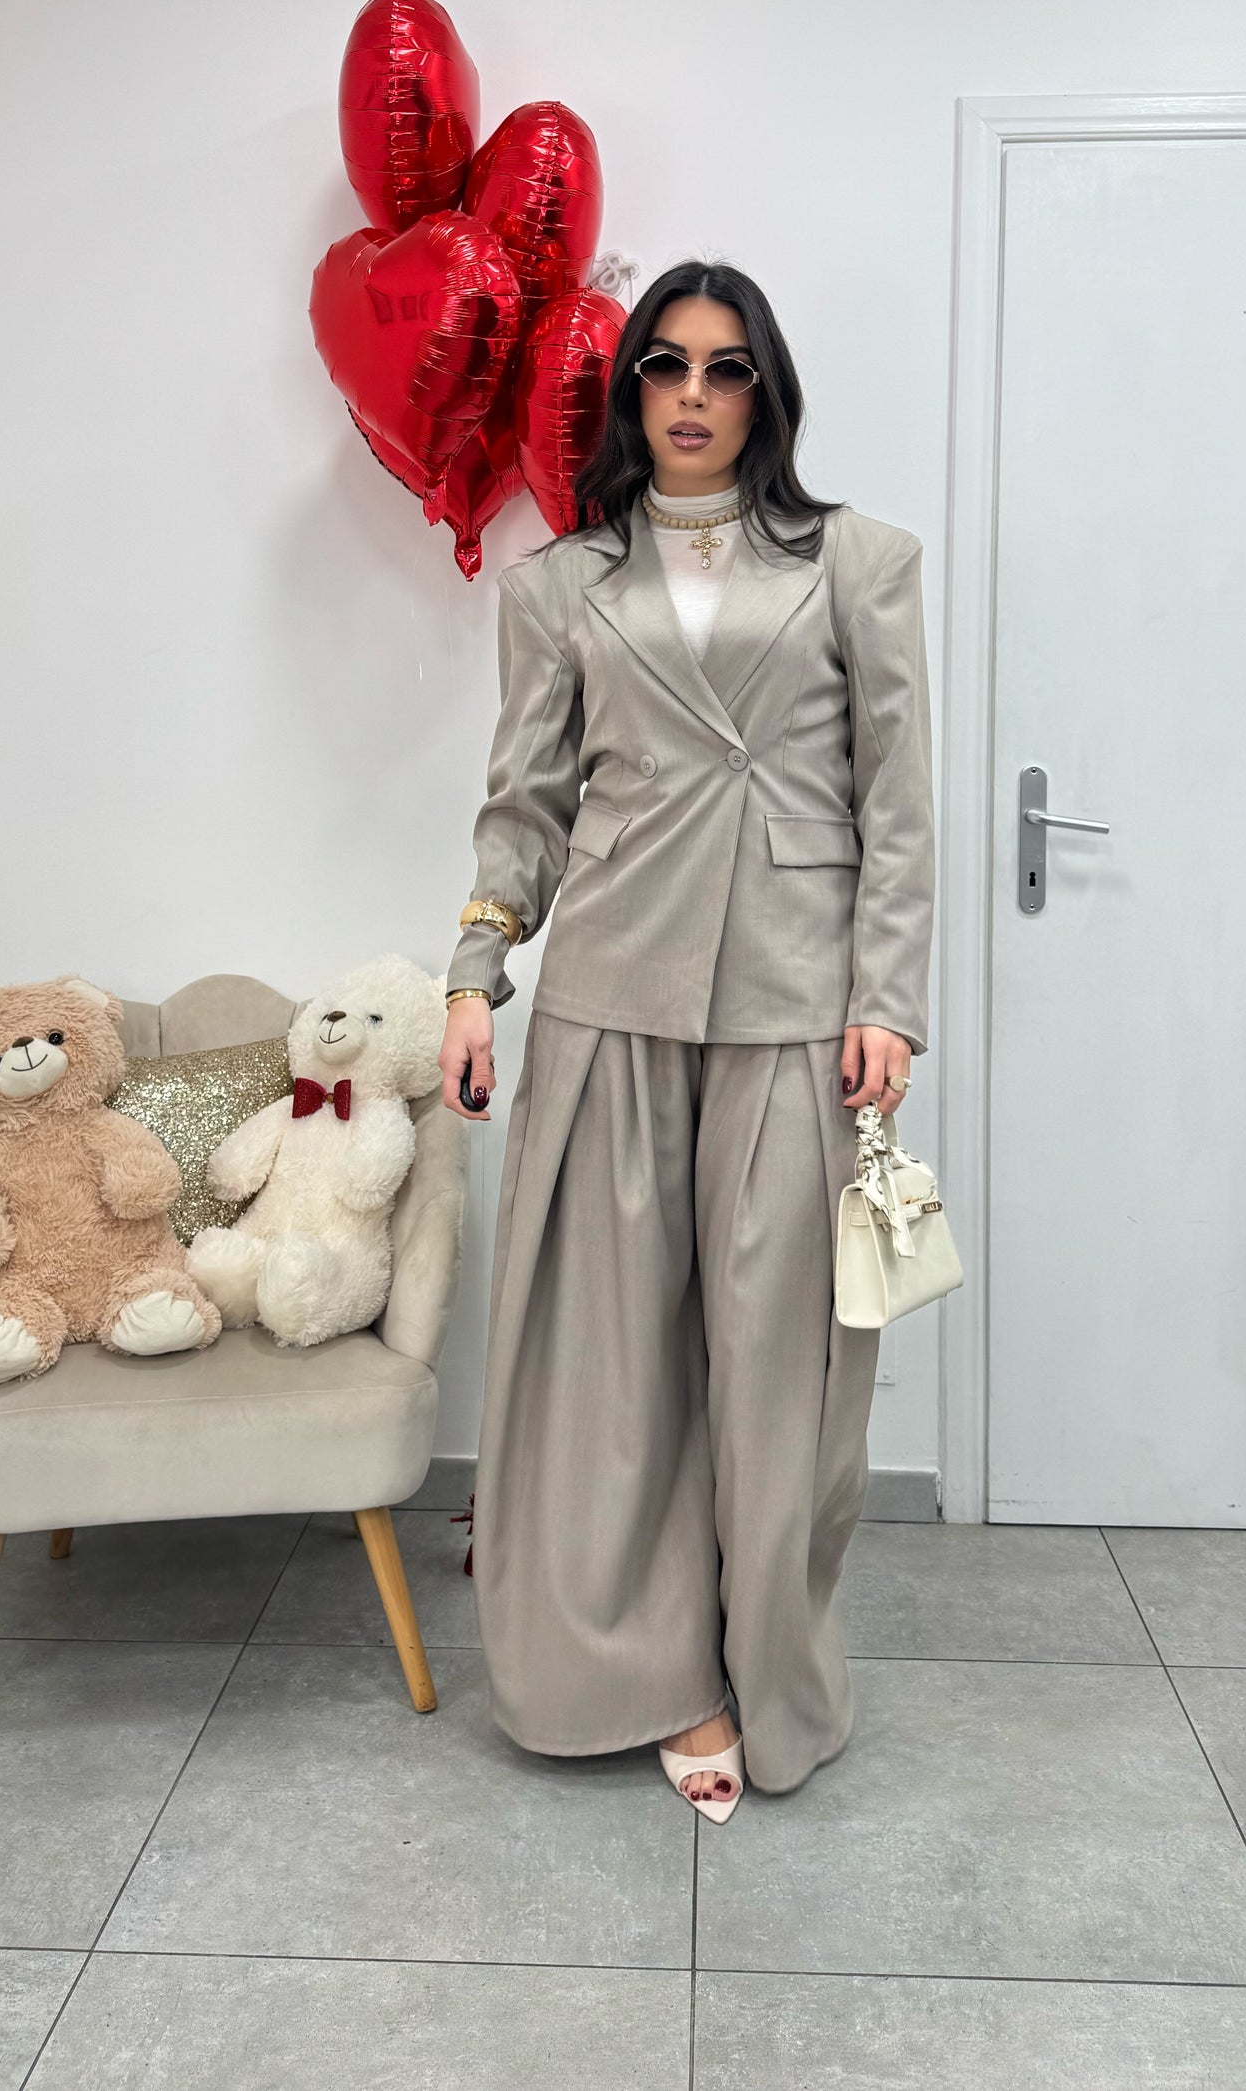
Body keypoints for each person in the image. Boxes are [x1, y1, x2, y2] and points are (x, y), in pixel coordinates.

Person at [438, 260, 934, 1818]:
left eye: (726, 368)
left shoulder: (860, 563)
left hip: (798, 1003)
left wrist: (886, 998)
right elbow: (525, 806)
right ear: (632, 390)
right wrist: (472, 974)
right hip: (612, 990)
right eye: (666, 366)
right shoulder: (557, 587)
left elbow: (897, 804)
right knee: (614, 1366)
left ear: (763, 391)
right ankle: (661, 1677)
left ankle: (769, 1671)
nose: (695, 396)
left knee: (783, 1371)